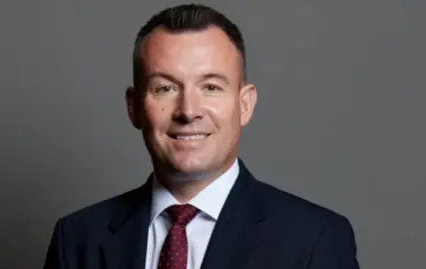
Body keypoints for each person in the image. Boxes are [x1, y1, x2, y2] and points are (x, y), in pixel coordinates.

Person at [43, 4, 360, 269]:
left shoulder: (315, 241)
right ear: (134, 107)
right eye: (165, 88)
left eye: (211, 87)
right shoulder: (76, 240)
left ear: (245, 104)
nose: (188, 110)